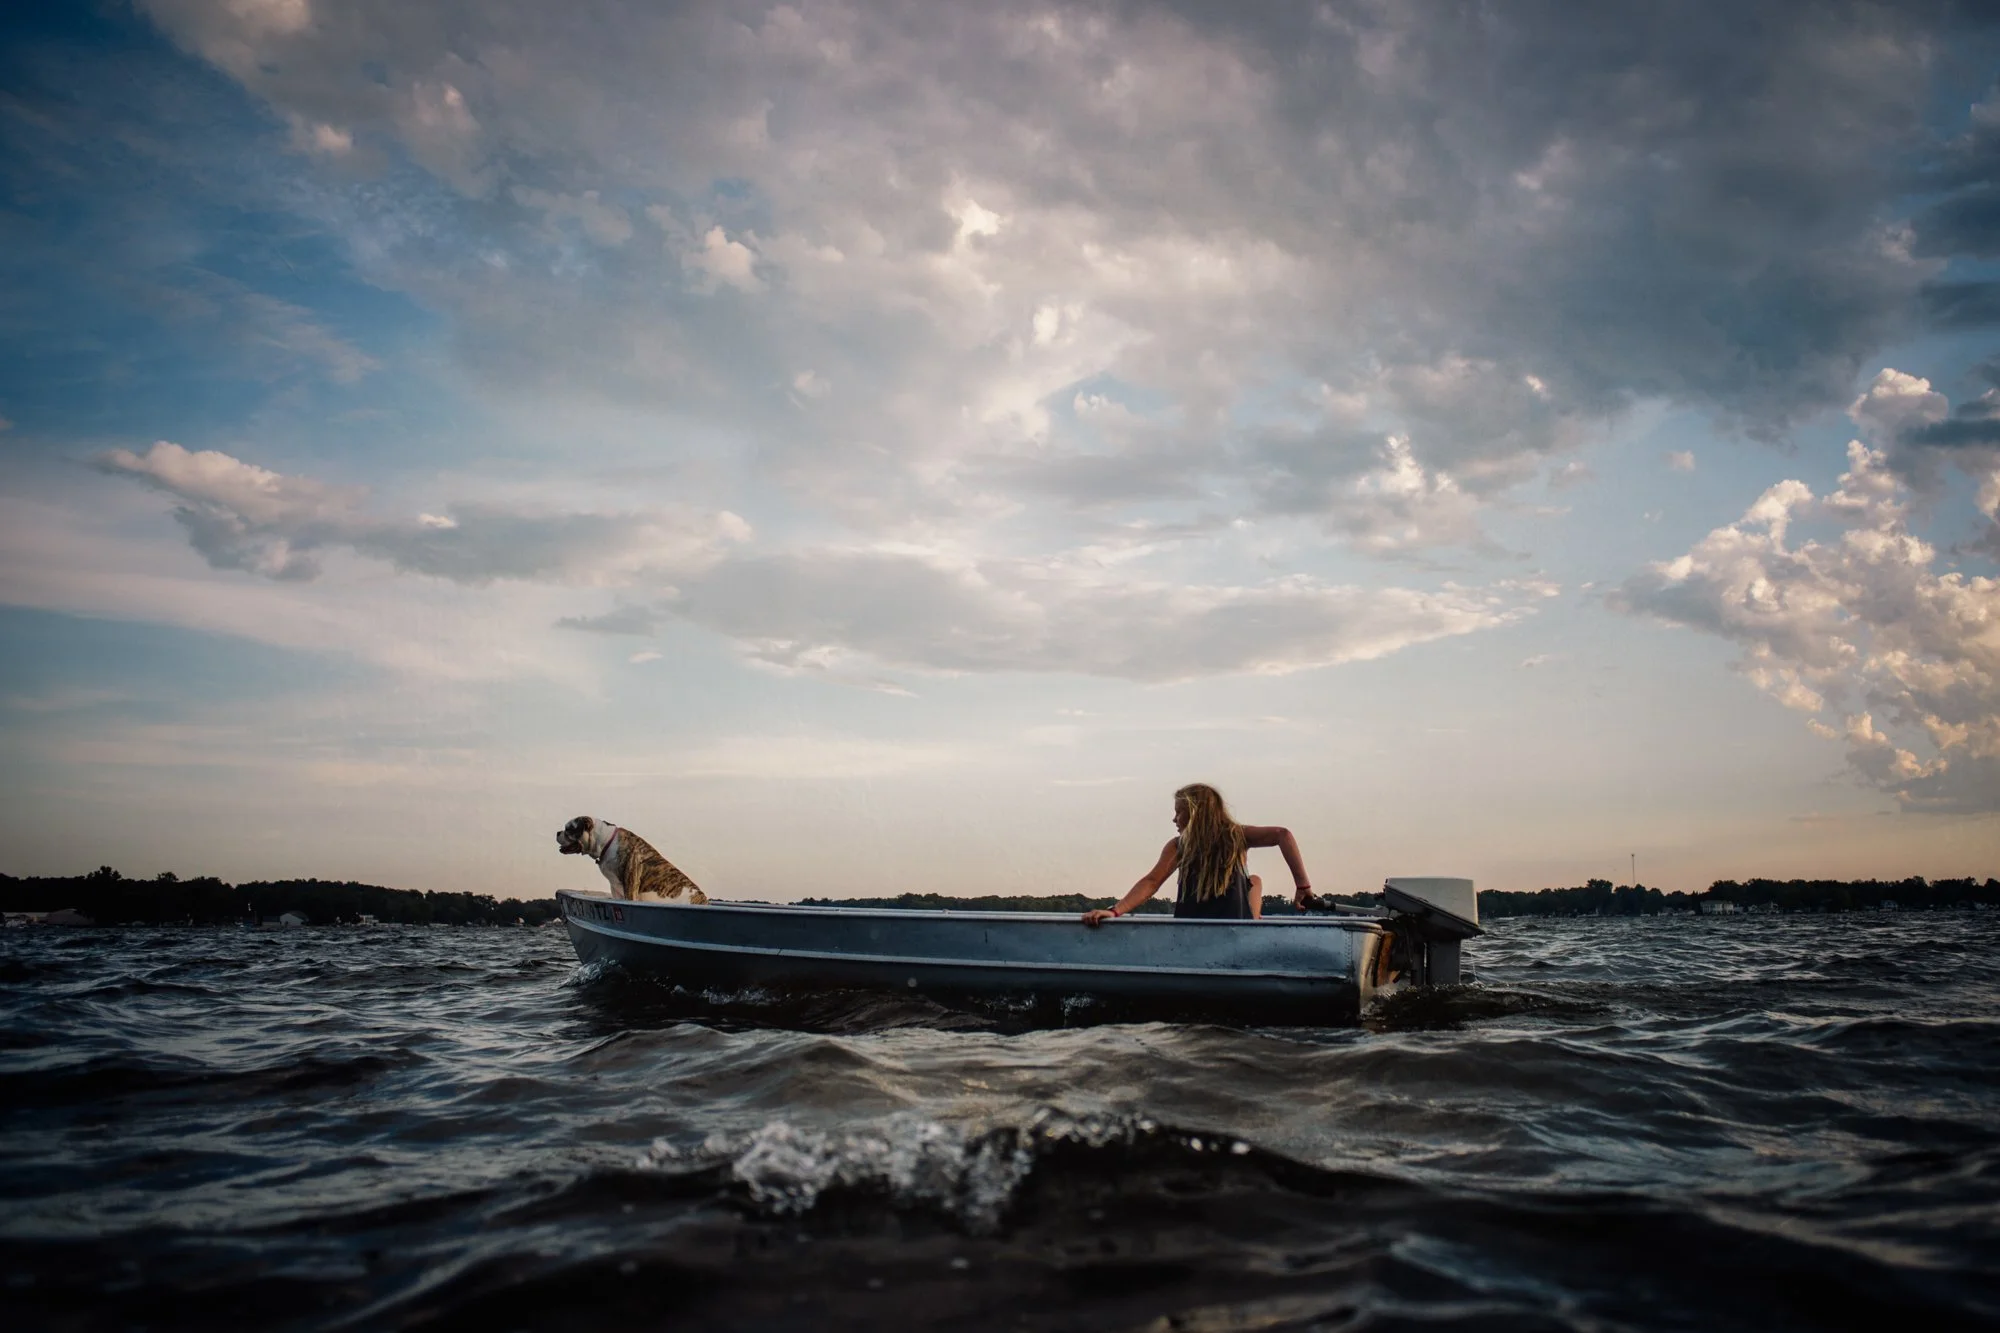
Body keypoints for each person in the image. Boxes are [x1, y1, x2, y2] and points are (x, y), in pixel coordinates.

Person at [1081, 783, 1314, 926]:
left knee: (1254, 881)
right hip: (1199, 931)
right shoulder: (1180, 846)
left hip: (1231, 930)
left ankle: (1254, 911)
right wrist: (1115, 911)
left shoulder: (1234, 836)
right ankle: (1255, 910)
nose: (1174, 819)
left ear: (1196, 815)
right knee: (1254, 881)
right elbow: (1151, 882)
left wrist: (1303, 887)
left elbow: (1283, 835)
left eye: (1179, 813)